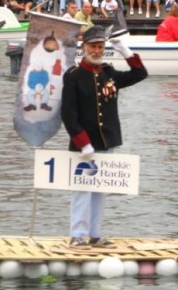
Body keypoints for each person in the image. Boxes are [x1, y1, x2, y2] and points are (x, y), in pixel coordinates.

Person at [61, 26, 147, 248]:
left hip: (107, 140)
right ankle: (77, 234)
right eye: (93, 46)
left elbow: (140, 74)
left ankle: (95, 235)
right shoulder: (73, 76)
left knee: (101, 189)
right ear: (84, 47)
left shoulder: (109, 72)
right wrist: (83, 143)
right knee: (82, 190)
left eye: (100, 47)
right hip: (84, 145)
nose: (97, 50)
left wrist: (124, 50)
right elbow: (68, 114)